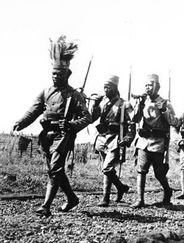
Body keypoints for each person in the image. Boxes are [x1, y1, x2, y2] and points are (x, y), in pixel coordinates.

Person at [13, 36, 91, 217]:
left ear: (67, 75)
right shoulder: (46, 92)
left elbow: (87, 118)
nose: (56, 77)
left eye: (59, 74)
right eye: (53, 74)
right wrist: (21, 122)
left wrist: (71, 124)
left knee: (55, 169)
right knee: (55, 170)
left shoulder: (74, 95)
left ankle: (46, 206)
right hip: (46, 136)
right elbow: (33, 110)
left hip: (63, 135)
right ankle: (71, 198)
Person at [130, 74, 178, 208]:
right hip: (143, 141)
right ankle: (140, 200)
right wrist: (139, 105)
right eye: (145, 85)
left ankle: (167, 191)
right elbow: (133, 119)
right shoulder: (142, 101)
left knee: (159, 173)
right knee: (141, 170)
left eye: (150, 85)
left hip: (158, 142)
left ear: (157, 86)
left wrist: (164, 110)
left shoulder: (165, 103)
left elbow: (174, 121)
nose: (147, 88)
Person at [90, 75, 135, 207]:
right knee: (106, 168)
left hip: (115, 139)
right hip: (102, 138)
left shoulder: (124, 104)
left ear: (115, 88)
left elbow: (132, 123)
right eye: (104, 87)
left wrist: (128, 138)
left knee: (107, 168)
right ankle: (107, 196)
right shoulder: (102, 102)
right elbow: (92, 118)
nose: (105, 89)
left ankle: (119, 188)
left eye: (108, 87)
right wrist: (95, 105)